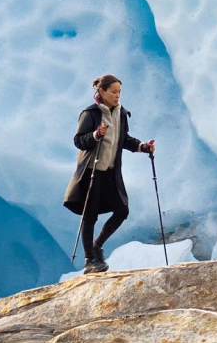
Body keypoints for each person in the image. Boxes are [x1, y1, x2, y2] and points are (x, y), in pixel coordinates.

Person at [63, 74, 156, 274]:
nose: (117, 95)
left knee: (122, 210)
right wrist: (96, 134)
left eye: (119, 91)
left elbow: (124, 139)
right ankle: (90, 260)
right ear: (102, 91)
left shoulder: (121, 113)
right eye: (113, 91)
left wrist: (142, 147)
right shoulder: (90, 114)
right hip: (91, 172)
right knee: (90, 216)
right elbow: (79, 141)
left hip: (110, 173)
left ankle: (97, 246)